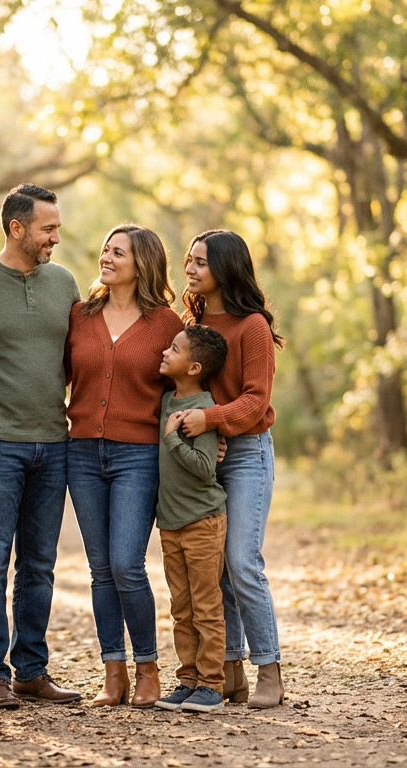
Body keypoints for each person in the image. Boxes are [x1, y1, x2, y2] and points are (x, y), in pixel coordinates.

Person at [0, 184, 83, 708]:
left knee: (40, 563)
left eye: (58, 228)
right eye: (48, 228)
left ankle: (31, 669)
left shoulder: (64, 282)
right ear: (16, 228)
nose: (55, 237)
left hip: (54, 440)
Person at [64, 224, 184, 707]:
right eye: (105, 248)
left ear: (142, 264)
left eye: (119, 252)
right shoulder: (79, 314)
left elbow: (187, 387)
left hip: (138, 455)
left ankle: (148, 667)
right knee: (99, 569)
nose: (106, 256)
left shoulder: (167, 324)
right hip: (82, 453)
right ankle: (113, 672)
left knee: (126, 564)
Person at [176, 229, 286, 709]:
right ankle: (229, 672)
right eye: (190, 260)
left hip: (245, 455)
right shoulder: (193, 321)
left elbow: (256, 399)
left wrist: (211, 421)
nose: (191, 269)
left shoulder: (252, 326)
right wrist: (205, 430)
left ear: (226, 268)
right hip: (207, 456)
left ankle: (270, 670)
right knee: (213, 568)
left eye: (201, 262)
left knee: (242, 563)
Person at [151, 325, 230, 714]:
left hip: (202, 522)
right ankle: (187, 680)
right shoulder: (166, 400)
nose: (165, 352)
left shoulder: (203, 409)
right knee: (180, 608)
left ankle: (212, 685)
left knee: (205, 605)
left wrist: (171, 439)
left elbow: (204, 467)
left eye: (174, 349)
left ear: (194, 366)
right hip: (171, 523)